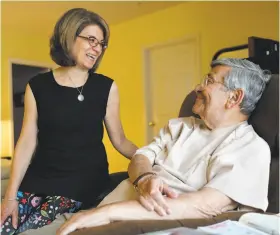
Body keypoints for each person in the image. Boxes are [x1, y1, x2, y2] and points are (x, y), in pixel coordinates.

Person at [56, 58, 272, 235]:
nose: (198, 87)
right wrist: (145, 178)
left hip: (129, 224)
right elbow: (140, 158)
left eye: (209, 81)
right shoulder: (180, 126)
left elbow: (202, 206)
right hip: (100, 211)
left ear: (234, 97)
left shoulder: (251, 149)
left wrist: (106, 214)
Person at [0, 8, 138, 235]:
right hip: (37, 181)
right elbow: (26, 142)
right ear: (69, 36)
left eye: (101, 43)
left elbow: (121, 140)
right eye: (91, 40)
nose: (97, 48)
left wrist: (151, 158)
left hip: (80, 187)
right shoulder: (37, 86)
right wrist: (10, 195)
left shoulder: (107, 87)